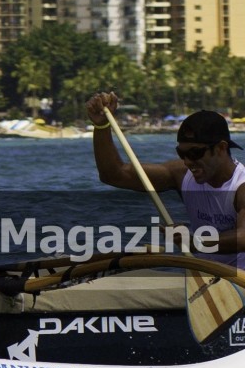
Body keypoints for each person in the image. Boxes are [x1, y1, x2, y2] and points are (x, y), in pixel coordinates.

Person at [85, 95, 245, 268]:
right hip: (202, 273)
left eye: (195, 153)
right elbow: (113, 175)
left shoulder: (241, 186)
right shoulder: (181, 174)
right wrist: (101, 126)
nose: (187, 162)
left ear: (221, 148)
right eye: (182, 154)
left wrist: (196, 241)